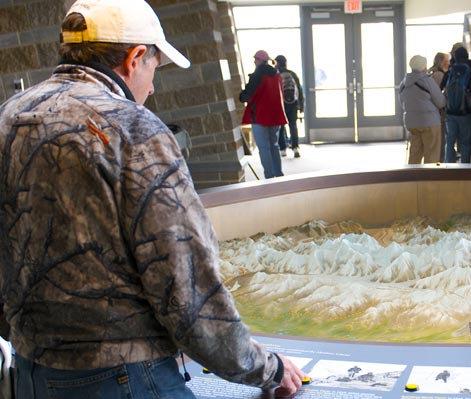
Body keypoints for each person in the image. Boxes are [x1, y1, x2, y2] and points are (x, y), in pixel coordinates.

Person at [0, 1, 306, 398]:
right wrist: (265, 368)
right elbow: (186, 282)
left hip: (30, 373)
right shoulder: (134, 129)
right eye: (154, 69)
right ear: (135, 57)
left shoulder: (8, 116)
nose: (153, 86)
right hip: (125, 377)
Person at [240, 50, 287, 179]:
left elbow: (246, 96)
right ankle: (279, 174)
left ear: (261, 60)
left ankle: (269, 176)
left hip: (260, 116)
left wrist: (242, 95)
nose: (254, 61)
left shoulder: (258, 74)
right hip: (275, 116)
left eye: (256, 59)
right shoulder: (276, 74)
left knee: (264, 148)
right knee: (274, 146)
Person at [399, 55, 446, 164]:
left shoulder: (404, 83)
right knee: (431, 154)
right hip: (430, 122)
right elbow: (441, 102)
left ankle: (412, 178)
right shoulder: (427, 81)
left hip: (412, 123)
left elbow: (402, 103)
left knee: (415, 154)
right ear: (423, 66)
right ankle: (429, 179)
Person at [440, 46, 471, 163]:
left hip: (450, 112)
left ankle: (449, 166)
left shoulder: (450, 71)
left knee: (450, 140)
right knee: (465, 141)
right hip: (465, 112)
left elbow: (441, 87)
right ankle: (465, 167)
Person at [275, 55, 305, 158]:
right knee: (293, 126)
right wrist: (301, 105)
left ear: (277, 63)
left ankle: (283, 149)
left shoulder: (276, 75)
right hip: (293, 104)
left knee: (281, 127)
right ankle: (295, 147)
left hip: (281, 105)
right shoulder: (292, 74)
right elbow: (299, 90)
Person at [429, 52, 450, 161]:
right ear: (442, 62)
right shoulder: (439, 75)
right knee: (440, 140)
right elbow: (439, 96)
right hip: (438, 113)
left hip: (430, 112)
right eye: (447, 61)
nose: (449, 63)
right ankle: (439, 162)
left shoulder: (430, 73)